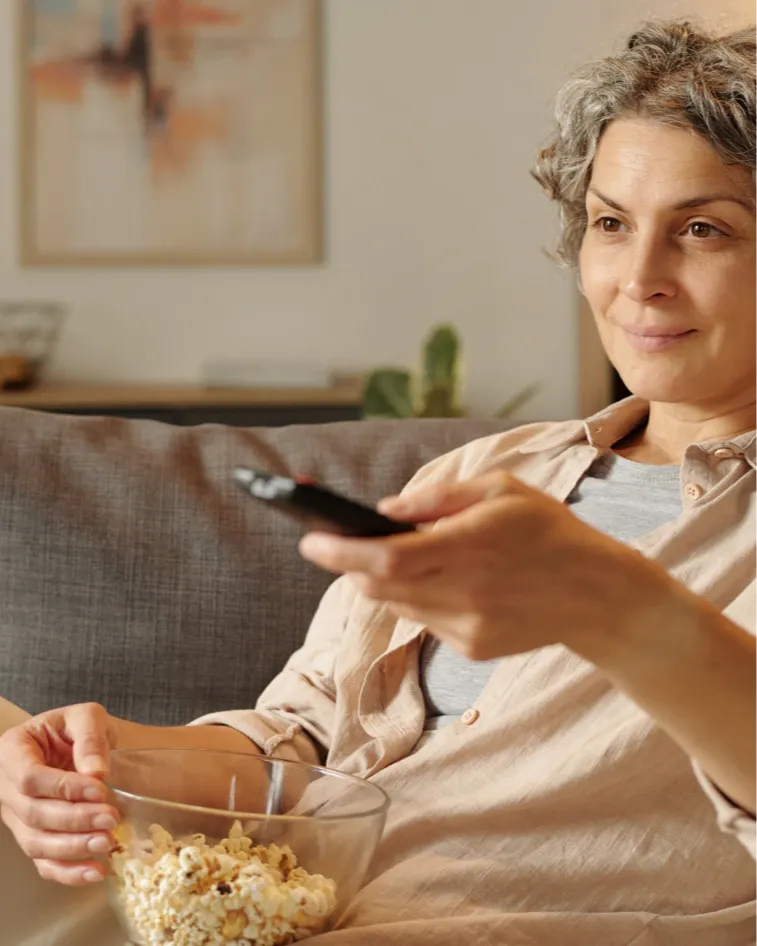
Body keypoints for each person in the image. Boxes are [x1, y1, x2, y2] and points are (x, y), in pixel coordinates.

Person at [4, 18, 757, 945]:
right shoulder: (491, 472)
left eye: (702, 229)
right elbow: (300, 742)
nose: (636, 278)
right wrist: (104, 756)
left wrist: (615, 605)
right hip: (268, 902)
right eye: (609, 223)